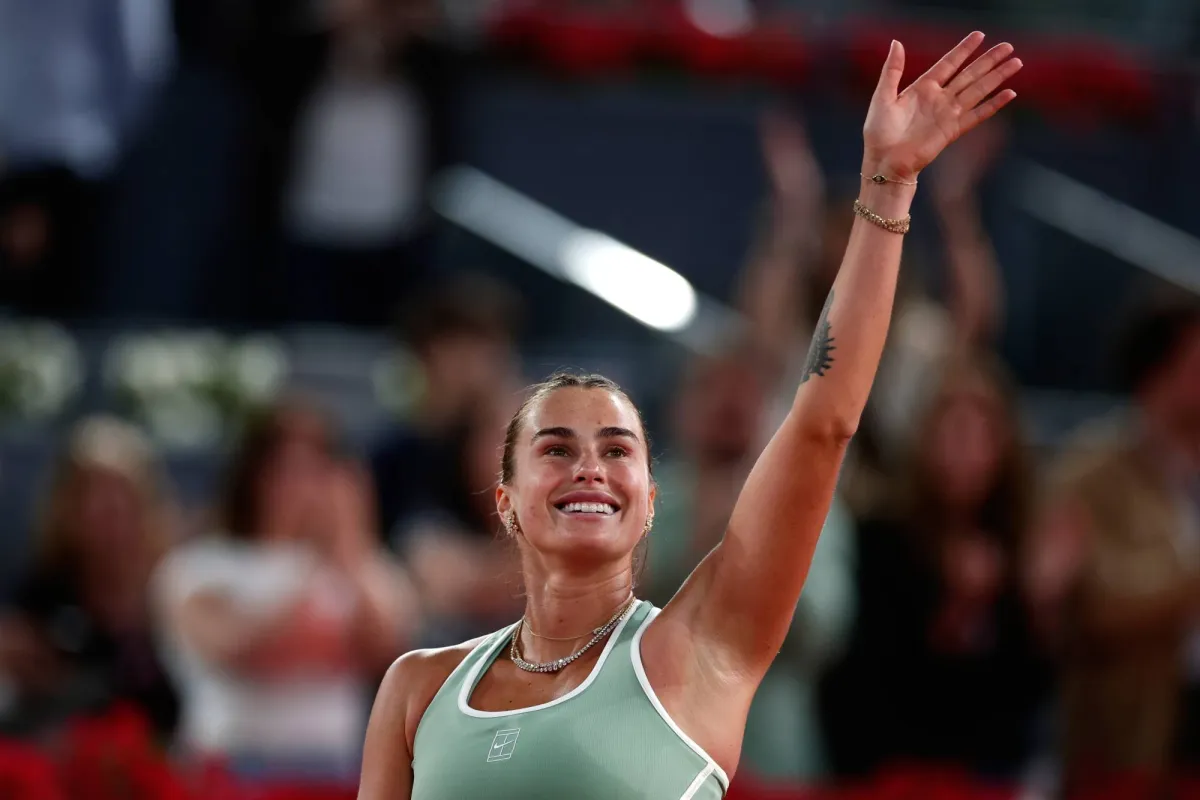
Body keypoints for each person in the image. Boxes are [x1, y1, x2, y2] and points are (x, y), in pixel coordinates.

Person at [358, 31, 1022, 799]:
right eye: (556, 447)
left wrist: (888, 187)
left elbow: (822, 422)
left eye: (617, 449)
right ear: (505, 501)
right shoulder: (417, 687)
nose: (589, 466)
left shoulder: (701, 646)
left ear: (649, 502)